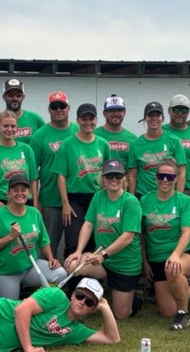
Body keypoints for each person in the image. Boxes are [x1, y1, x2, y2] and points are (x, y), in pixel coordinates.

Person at [65, 159, 143, 320]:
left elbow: (127, 237)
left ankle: (136, 298)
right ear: (103, 179)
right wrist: (79, 251)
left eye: (117, 175)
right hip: (104, 262)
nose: (113, 179)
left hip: (125, 265)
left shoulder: (131, 202)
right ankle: (84, 300)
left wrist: (103, 255)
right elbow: (88, 224)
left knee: (121, 315)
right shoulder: (98, 196)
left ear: (123, 178)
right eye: (109, 176)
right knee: (73, 264)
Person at [140, 159, 190, 331]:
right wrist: (145, 262)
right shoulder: (145, 200)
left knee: (173, 268)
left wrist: (175, 254)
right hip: (157, 258)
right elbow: (142, 235)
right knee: (167, 311)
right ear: (156, 177)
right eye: (161, 176)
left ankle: (184, 314)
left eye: (169, 176)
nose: (165, 180)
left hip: (184, 254)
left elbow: (187, 232)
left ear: (176, 178)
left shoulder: (184, 201)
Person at [0, 173, 67, 298]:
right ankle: (21, 293)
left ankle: (37, 298)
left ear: (29, 193)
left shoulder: (34, 213)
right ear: (8, 194)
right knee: (10, 310)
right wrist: (10, 237)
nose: (19, 193)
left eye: (23, 190)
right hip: (7, 272)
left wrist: (50, 258)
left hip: (31, 267)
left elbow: (43, 240)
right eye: (15, 190)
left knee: (60, 274)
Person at [56, 103, 110, 260]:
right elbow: (60, 176)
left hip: (97, 197)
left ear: (96, 120)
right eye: (84, 119)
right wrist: (65, 204)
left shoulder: (103, 144)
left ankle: (92, 282)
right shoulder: (67, 144)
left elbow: (109, 174)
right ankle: (73, 282)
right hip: (75, 199)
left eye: (91, 118)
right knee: (73, 242)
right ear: (78, 120)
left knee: (95, 242)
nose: (88, 122)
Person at [30, 91, 77, 258]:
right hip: (50, 200)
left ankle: (75, 283)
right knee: (48, 248)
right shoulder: (40, 135)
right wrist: (36, 203)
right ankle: (46, 282)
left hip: (76, 200)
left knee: (75, 246)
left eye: (62, 106)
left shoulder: (78, 130)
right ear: (49, 110)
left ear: (68, 108)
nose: (58, 109)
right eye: (54, 106)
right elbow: (32, 174)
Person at [0, 110, 39, 209]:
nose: (9, 129)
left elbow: (33, 179)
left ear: (17, 128)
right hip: (1, 202)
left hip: (25, 201)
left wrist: (35, 205)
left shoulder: (26, 149)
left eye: (13, 126)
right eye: (5, 126)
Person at [127, 102, 186, 199]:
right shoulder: (135, 144)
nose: (154, 118)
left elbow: (181, 173)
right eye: (150, 115)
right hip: (144, 196)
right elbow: (132, 176)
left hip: (168, 196)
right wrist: (132, 199)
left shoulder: (174, 141)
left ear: (162, 119)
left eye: (157, 115)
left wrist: (178, 198)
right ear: (145, 118)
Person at [162, 94, 190, 202]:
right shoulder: (161, 131)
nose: (180, 113)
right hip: (163, 187)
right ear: (169, 111)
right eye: (176, 109)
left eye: (184, 110)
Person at [0, 78, 45, 147]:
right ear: (4, 97)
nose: (15, 98)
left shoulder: (35, 119)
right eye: (10, 95)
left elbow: (45, 143)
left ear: (23, 97)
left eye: (18, 95)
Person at [95, 94, 136, 168]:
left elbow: (132, 170)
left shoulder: (132, 139)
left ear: (124, 113)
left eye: (119, 110)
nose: (116, 114)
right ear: (104, 114)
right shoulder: (94, 135)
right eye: (112, 110)